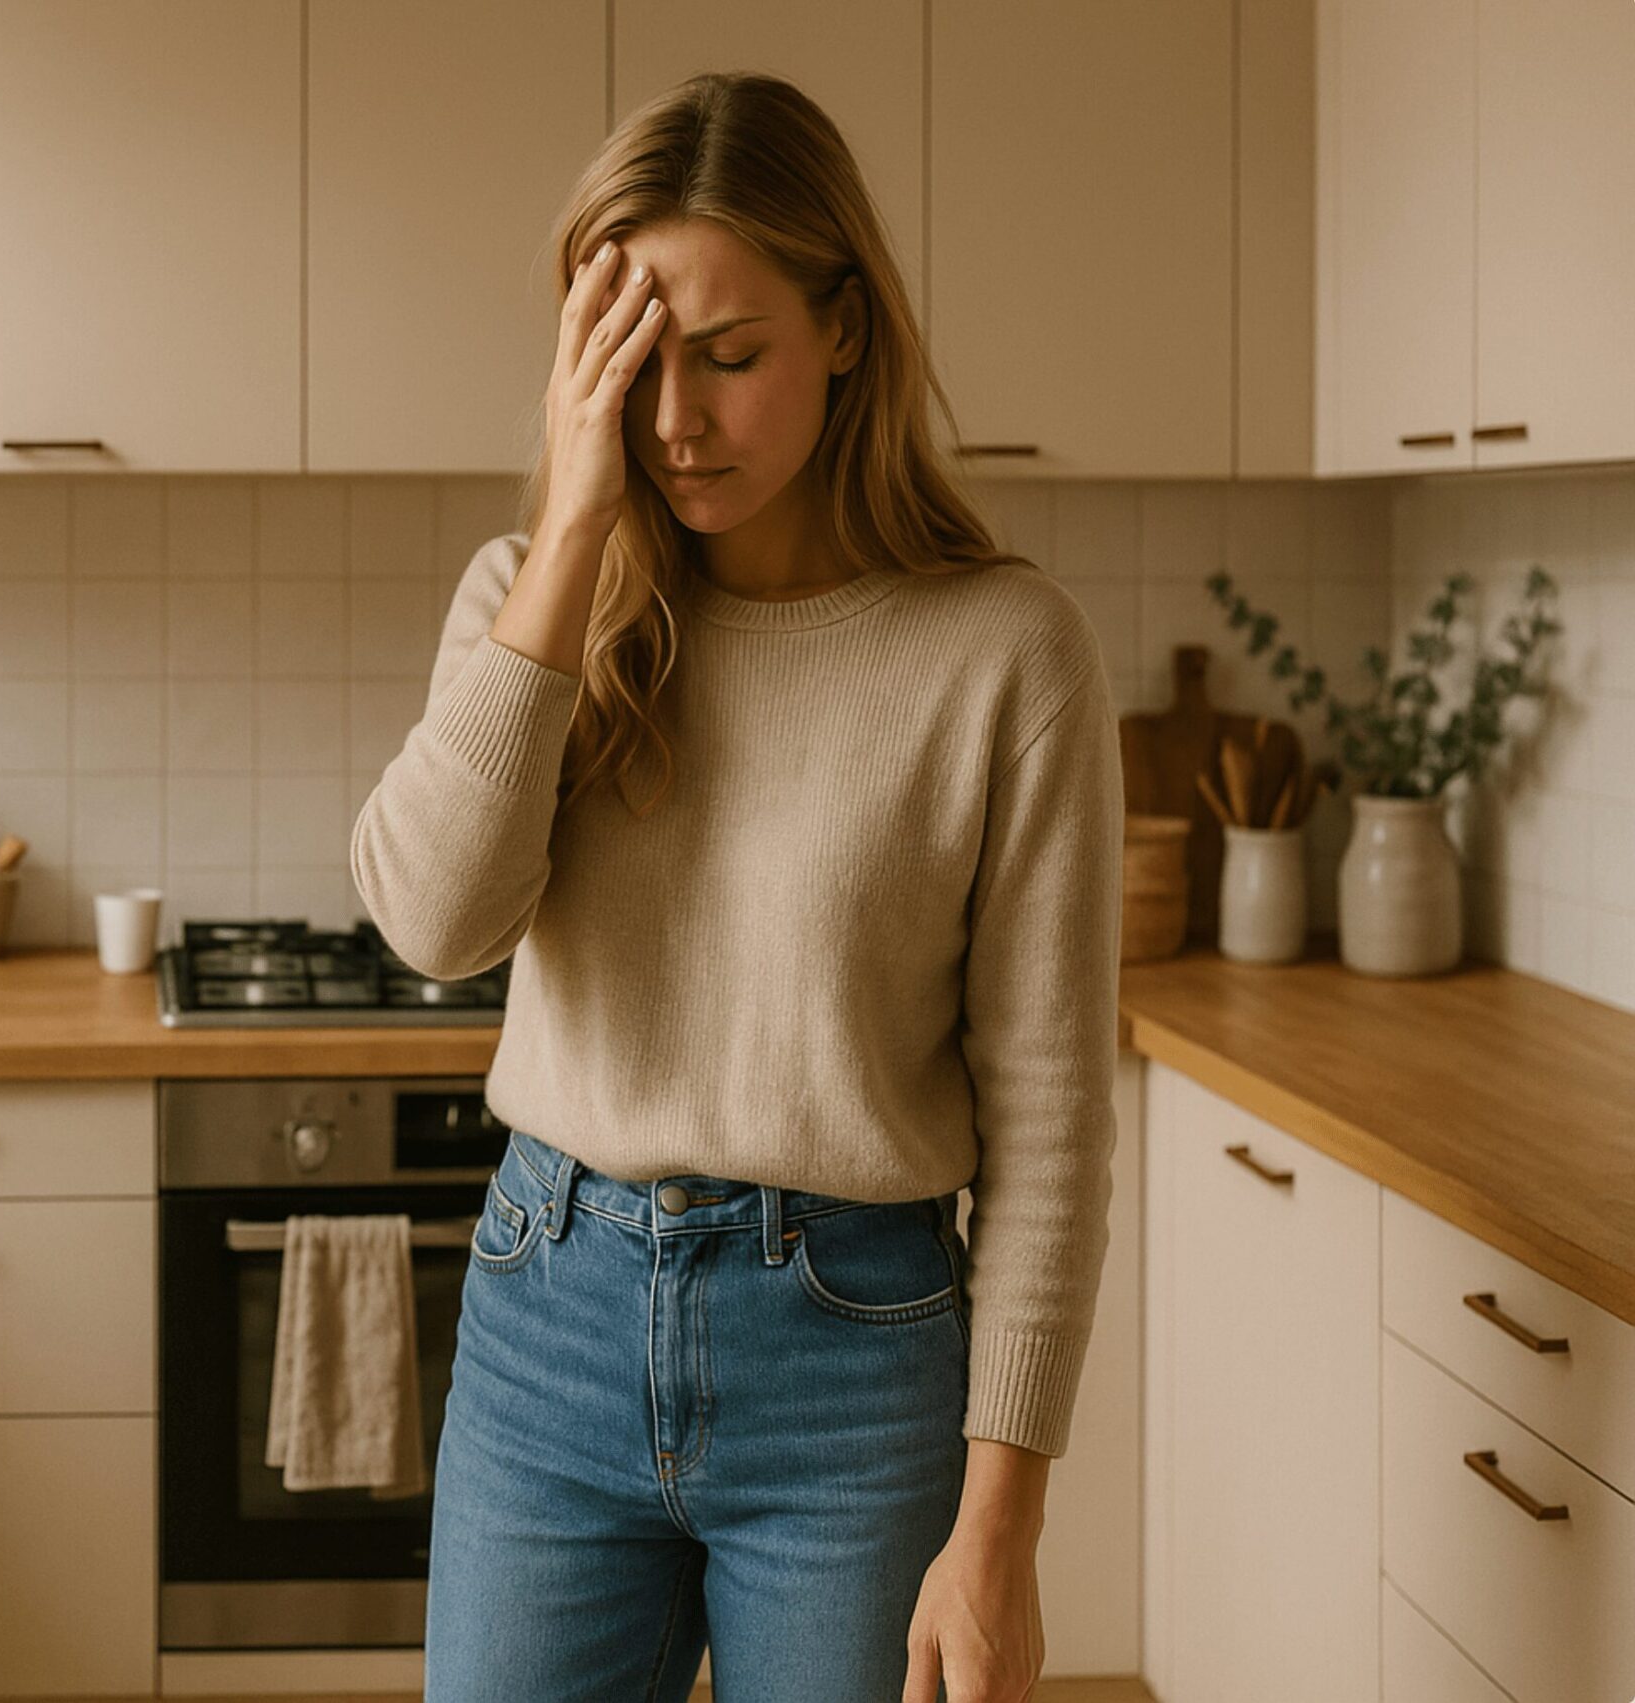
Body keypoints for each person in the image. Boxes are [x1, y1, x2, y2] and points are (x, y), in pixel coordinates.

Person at [350, 71, 1122, 1703]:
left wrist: (1003, 1530)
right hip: (543, 1320)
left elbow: (1052, 1120)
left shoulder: (1005, 652)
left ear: (845, 327)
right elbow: (431, 925)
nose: (678, 419)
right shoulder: (530, 609)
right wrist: (570, 536)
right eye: (633, 362)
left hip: (856, 1361)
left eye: (731, 354)